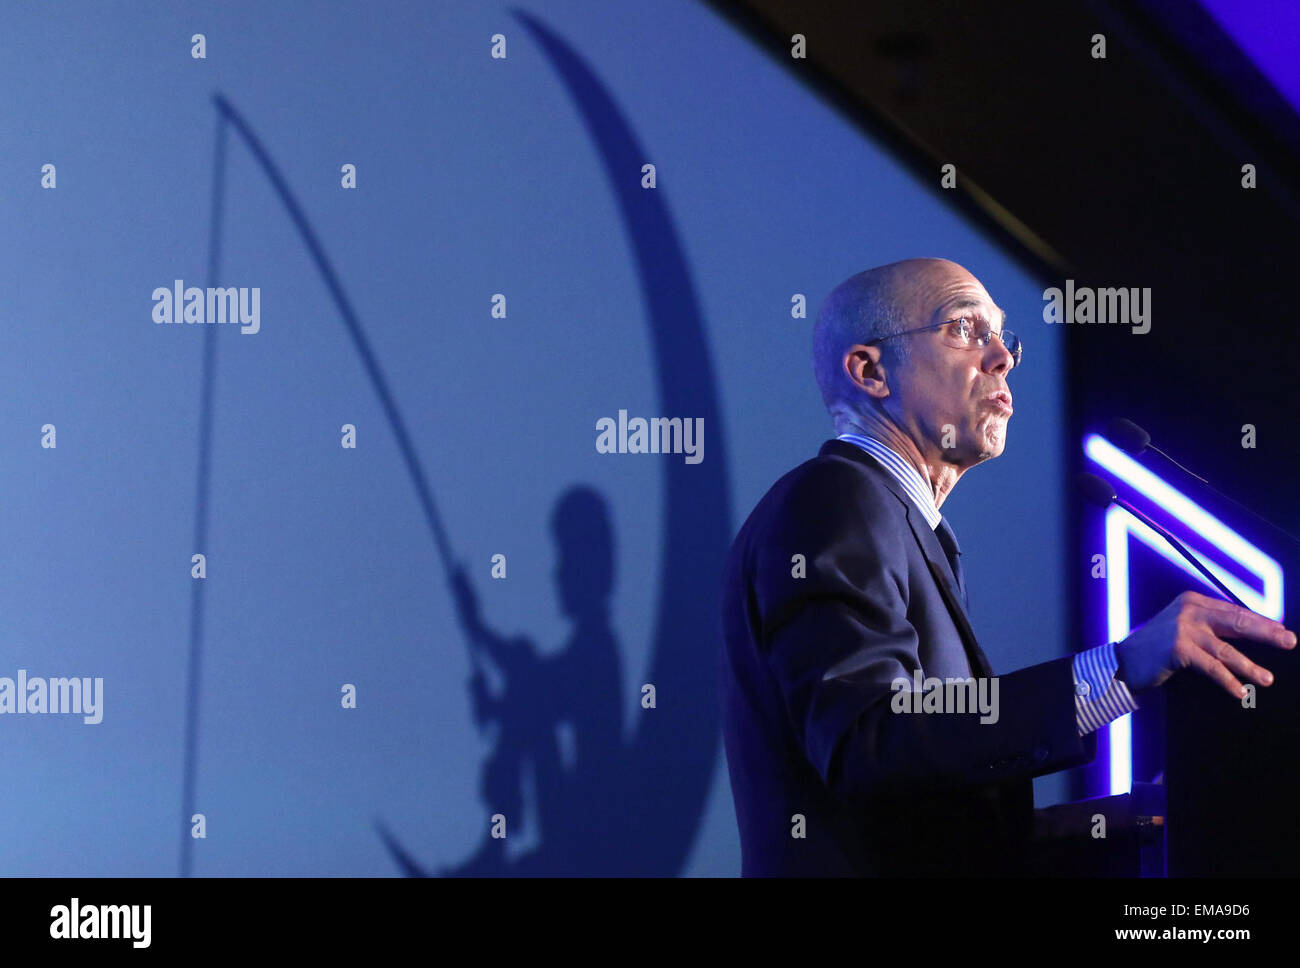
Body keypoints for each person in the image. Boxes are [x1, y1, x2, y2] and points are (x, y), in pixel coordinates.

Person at [719, 257, 1296, 876]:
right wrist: (1121, 667)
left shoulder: (904, 525)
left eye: (1004, 338)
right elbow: (869, 741)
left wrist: (1137, 816)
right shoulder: (835, 499)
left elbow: (925, 827)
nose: (1003, 358)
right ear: (870, 371)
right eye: (964, 328)